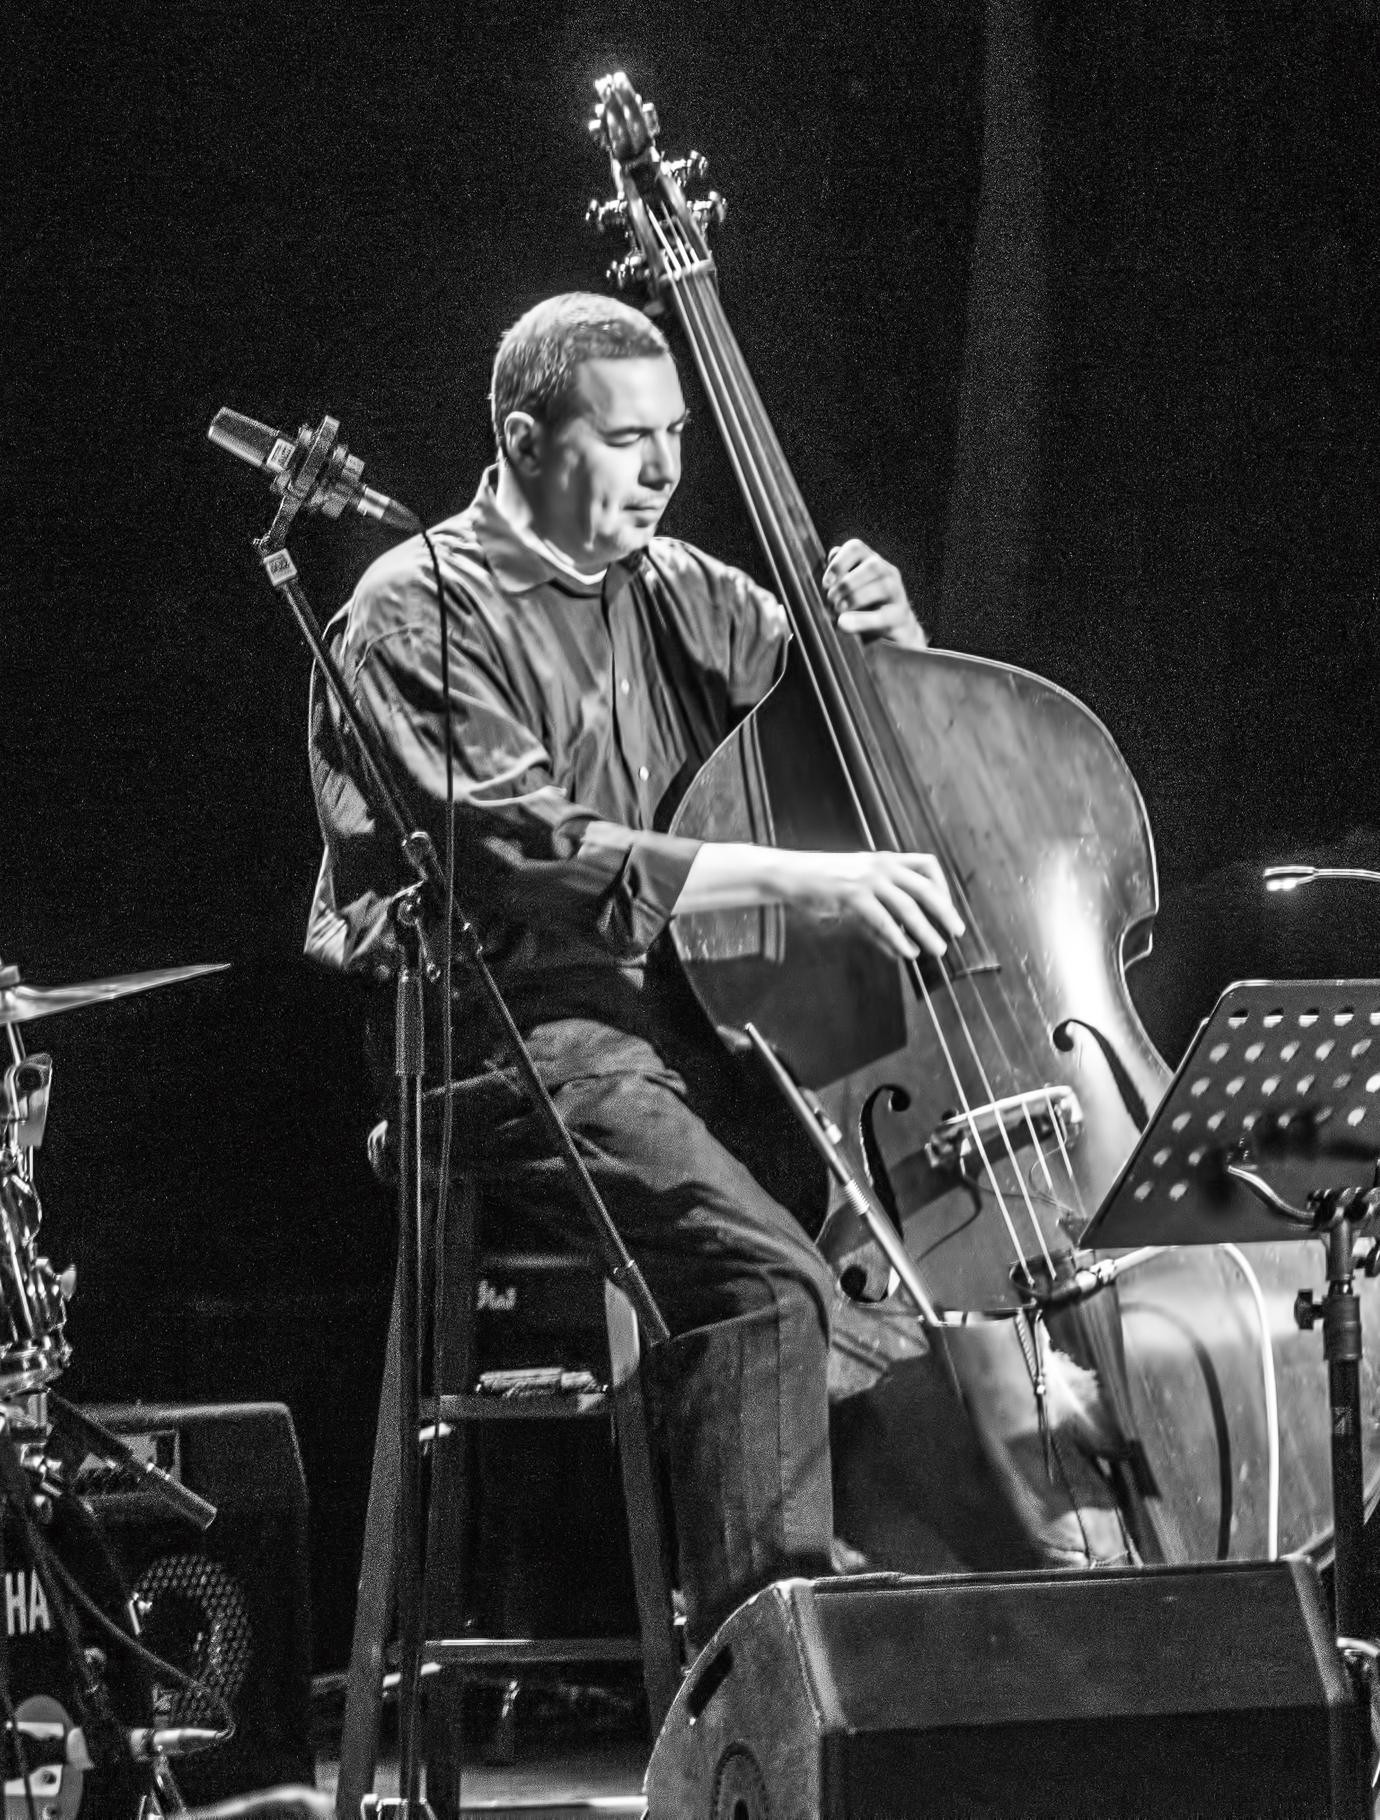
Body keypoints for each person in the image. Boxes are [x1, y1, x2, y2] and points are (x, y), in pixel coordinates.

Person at [306, 291, 963, 1649]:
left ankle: (893, 1592)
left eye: (675, 436)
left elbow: (850, 739)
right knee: (765, 1283)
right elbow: (533, 854)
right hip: (510, 1038)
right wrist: (812, 881)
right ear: (525, 437)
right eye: (626, 440)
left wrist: (888, 657)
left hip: (695, 1029)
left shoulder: (683, 595)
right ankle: (770, 1681)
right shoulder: (413, 609)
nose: (664, 470)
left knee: (907, 1261)